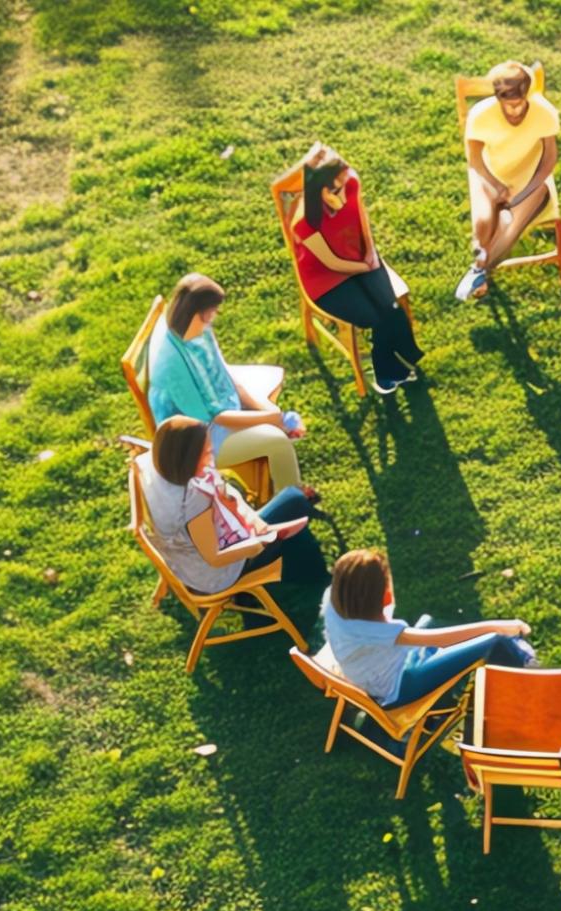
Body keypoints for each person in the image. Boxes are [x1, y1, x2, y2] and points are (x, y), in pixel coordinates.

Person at [143, 273, 305, 493]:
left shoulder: (192, 331)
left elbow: (227, 377)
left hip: (218, 408)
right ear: (196, 313)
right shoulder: (174, 365)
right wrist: (278, 420)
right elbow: (215, 417)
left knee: (271, 411)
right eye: (211, 313)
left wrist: (274, 413)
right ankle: (293, 500)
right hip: (198, 440)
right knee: (278, 442)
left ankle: (278, 480)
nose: (214, 317)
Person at [316, 549, 538, 707]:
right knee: (493, 638)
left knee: (428, 621)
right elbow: (440, 640)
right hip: (400, 686)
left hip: (374, 675)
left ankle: (514, 670)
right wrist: (499, 625)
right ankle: (533, 679)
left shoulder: (333, 601)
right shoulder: (372, 631)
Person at [291, 144, 425, 394]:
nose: (343, 195)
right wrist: (364, 267)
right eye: (334, 190)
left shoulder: (350, 182)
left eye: (343, 185)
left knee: (391, 307)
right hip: (327, 279)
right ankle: (389, 370)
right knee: (374, 318)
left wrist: (371, 255)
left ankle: (403, 359)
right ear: (318, 189)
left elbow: (363, 222)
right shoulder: (304, 222)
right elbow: (330, 263)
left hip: (359, 257)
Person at [139, 415, 323, 592]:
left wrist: (252, 520)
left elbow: (225, 494)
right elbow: (215, 557)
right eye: (207, 453)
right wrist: (259, 543)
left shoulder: (149, 466)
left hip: (187, 561)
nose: (211, 457)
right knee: (295, 501)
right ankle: (316, 577)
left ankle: (301, 567)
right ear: (188, 459)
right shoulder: (194, 501)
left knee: (286, 510)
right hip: (217, 574)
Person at [459, 61, 561, 301]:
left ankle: (479, 269)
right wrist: (496, 187)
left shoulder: (544, 112)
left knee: (511, 225)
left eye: (519, 104)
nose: (515, 112)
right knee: (485, 220)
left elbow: (549, 160)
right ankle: (481, 269)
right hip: (490, 175)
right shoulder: (481, 115)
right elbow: (474, 160)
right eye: (508, 105)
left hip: (531, 181)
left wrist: (522, 194)